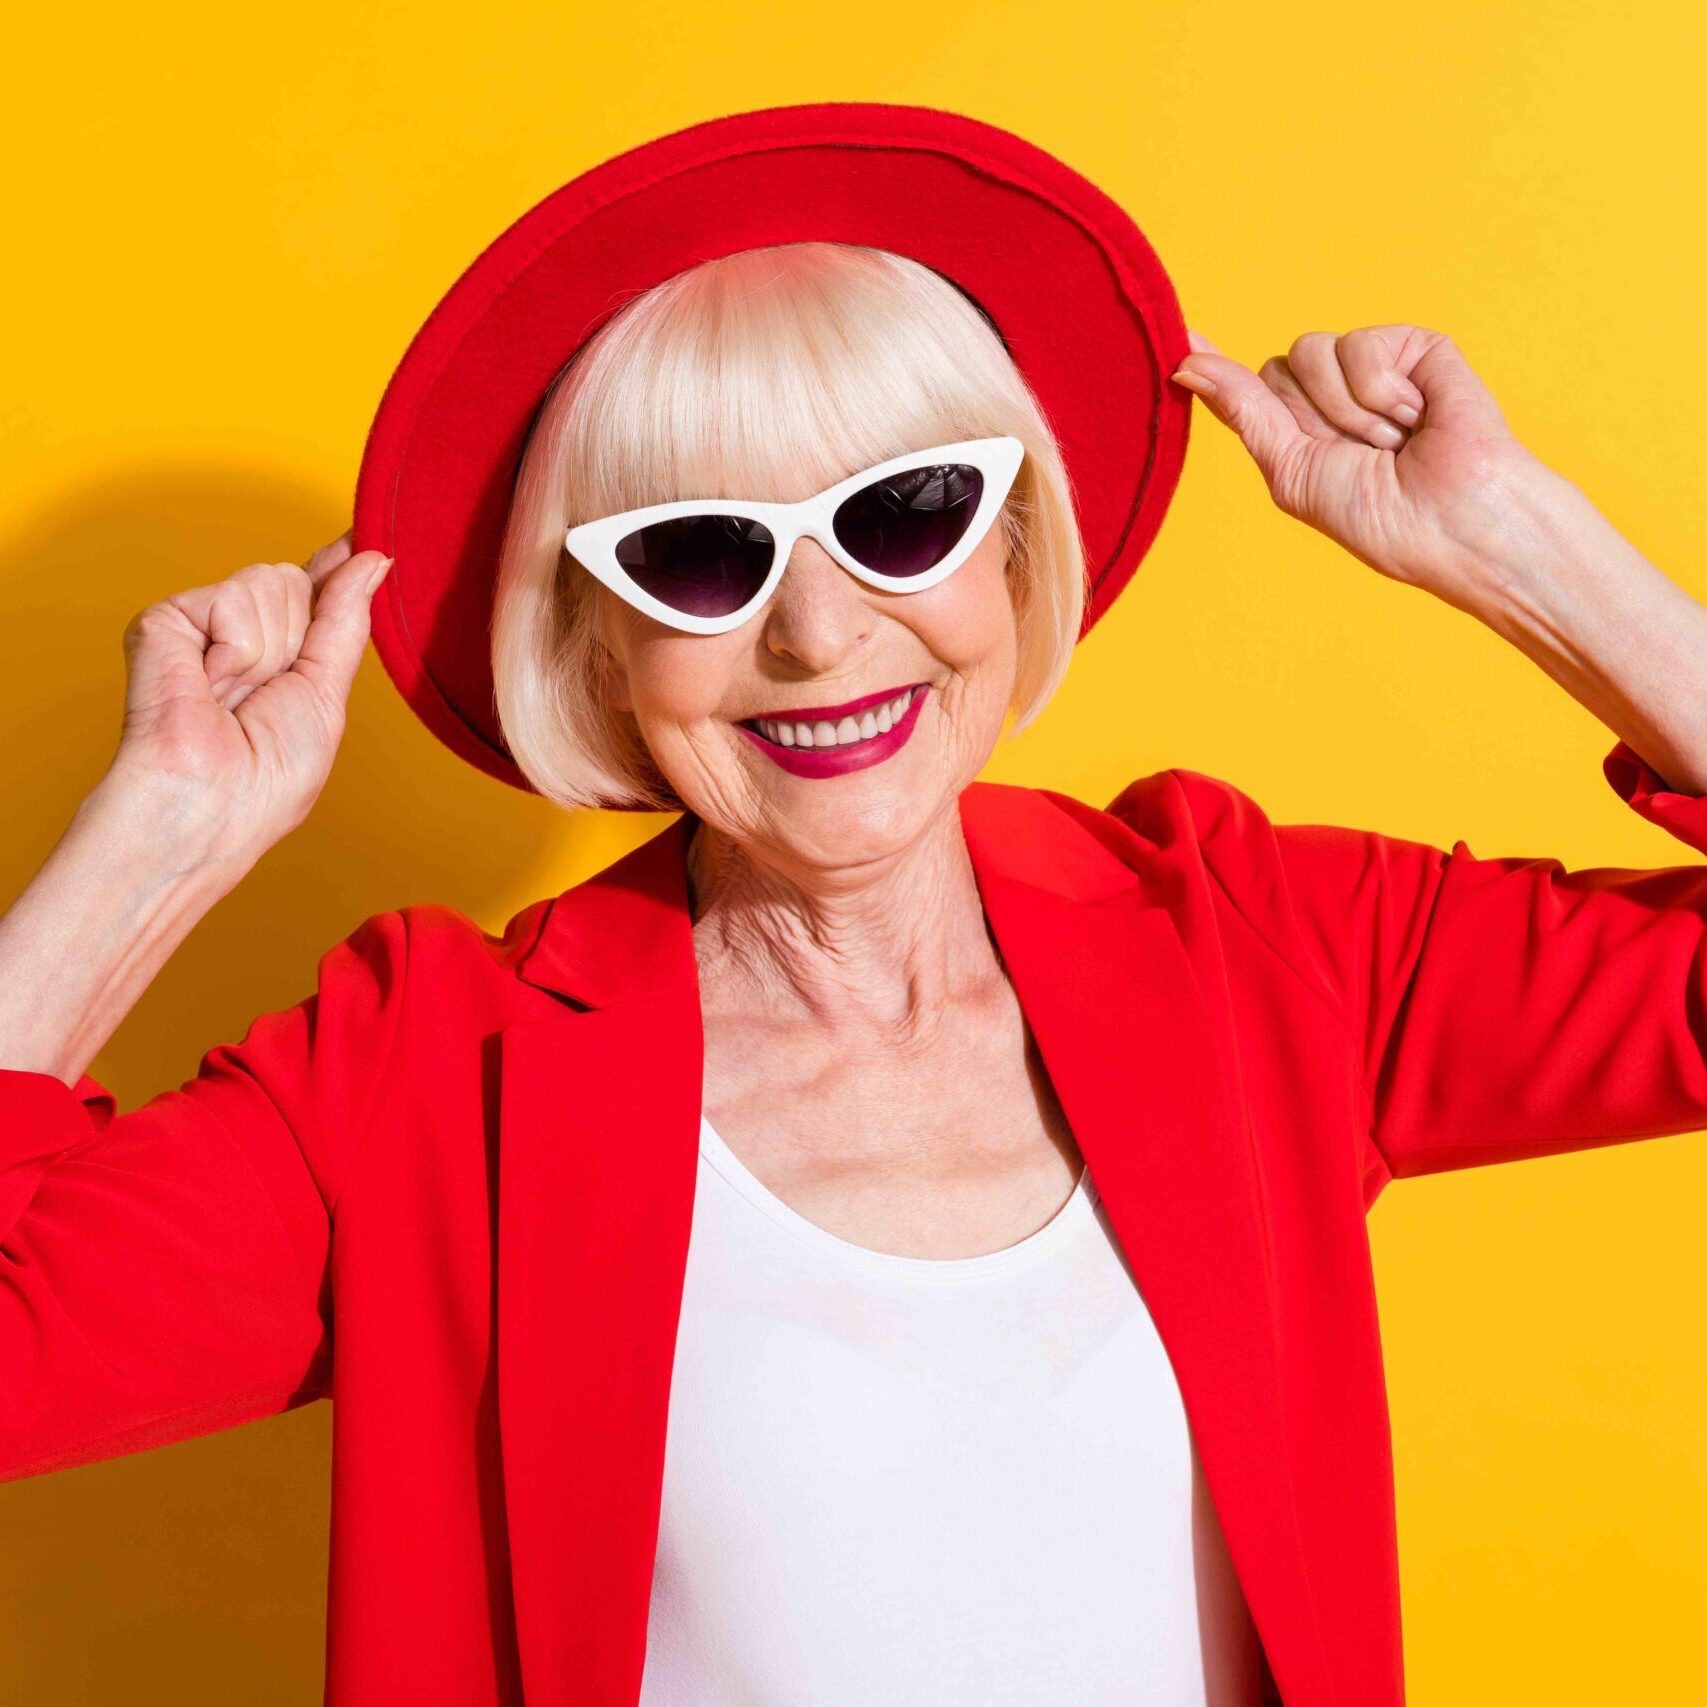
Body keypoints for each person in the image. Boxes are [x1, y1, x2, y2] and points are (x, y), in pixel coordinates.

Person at [6, 103, 1707, 1707]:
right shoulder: (432, 1077)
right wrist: (158, 837)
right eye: (697, 554)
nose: (820, 637)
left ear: (1013, 539)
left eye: (906, 516)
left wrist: (1517, 549)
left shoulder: (1260, 944)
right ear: (594, 633)